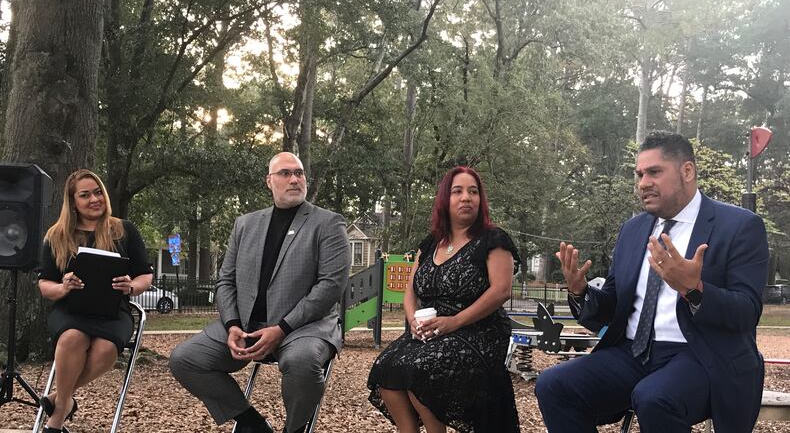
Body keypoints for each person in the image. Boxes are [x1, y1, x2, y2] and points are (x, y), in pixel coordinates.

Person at [535, 131, 769, 433]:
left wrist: (693, 290)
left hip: (702, 354)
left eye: (654, 172)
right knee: (554, 384)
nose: (643, 183)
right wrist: (581, 292)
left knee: (654, 398)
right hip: (633, 352)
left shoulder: (739, 226)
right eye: (639, 174)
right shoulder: (633, 230)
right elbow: (611, 308)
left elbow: (747, 312)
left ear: (687, 171)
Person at [169, 152, 350, 433]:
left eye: (299, 173)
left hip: (304, 327)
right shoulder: (246, 224)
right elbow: (225, 281)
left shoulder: (328, 223)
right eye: (285, 173)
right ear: (269, 181)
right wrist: (231, 325)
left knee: (302, 362)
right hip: (245, 325)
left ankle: (295, 429)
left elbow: (331, 286)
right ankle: (250, 422)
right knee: (185, 359)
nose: (294, 179)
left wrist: (282, 327)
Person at [367, 166, 521, 433]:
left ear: (480, 200)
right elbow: (410, 291)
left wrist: (455, 321)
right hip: (433, 329)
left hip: (479, 329)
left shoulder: (493, 239)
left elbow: (501, 291)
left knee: (420, 372)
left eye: (473, 192)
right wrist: (413, 319)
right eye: (457, 191)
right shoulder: (430, 244)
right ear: (444, 200)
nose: (466, 198)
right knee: (386, 369)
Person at [36, 169, 153, 433]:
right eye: (85, 195)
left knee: (105, 351)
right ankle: (58, 416)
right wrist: (63, 287)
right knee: (72, 338)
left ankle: (59, 399)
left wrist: (132, 285)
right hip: (70, 309)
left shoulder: (123, 230)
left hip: (113, 311)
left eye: (98, 192)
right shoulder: (56, 236)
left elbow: (145, 274)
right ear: (73, 201)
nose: (94, 199)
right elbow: (45, 286)